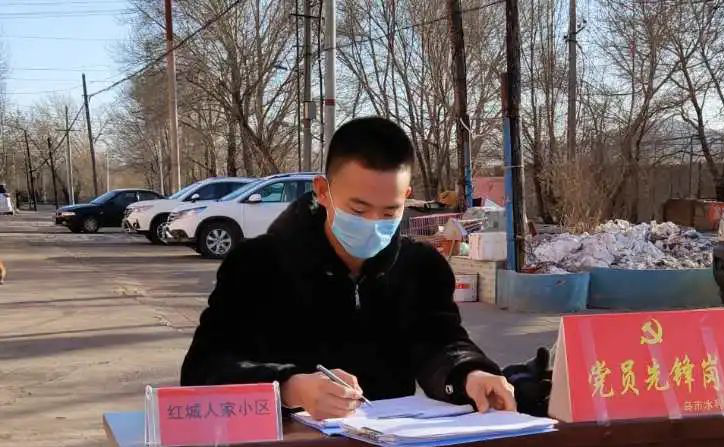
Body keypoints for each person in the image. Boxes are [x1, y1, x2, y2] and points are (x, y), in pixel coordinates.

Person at [181, 116, 515, 420]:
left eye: (389, 212)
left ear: (407, 196)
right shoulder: (256, 265)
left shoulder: (421, 268)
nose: (373, 223)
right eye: (358, 209)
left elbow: (439, 343)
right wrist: (289, 387)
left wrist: (469, 373)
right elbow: (203, 370)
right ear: (322, 191)